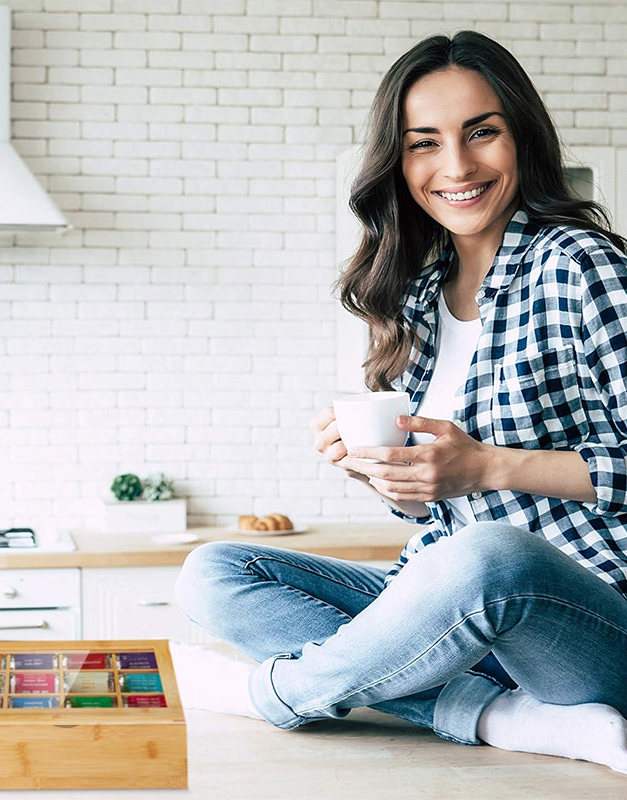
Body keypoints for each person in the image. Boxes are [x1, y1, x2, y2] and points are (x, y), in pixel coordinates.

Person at [171, 30, 627, 774]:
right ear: (398, 159)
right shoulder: (419, 296)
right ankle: (495, 716)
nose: (456, 166)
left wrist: (490, 467)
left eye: (482, 132)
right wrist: (383, 474)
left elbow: (488, 511)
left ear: (523, 138)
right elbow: (435, 511)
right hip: (456, 609)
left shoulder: (579, 265)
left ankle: (273, 695)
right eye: (425, 143)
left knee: (491, 557)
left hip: (585, 622)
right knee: (214, 573)